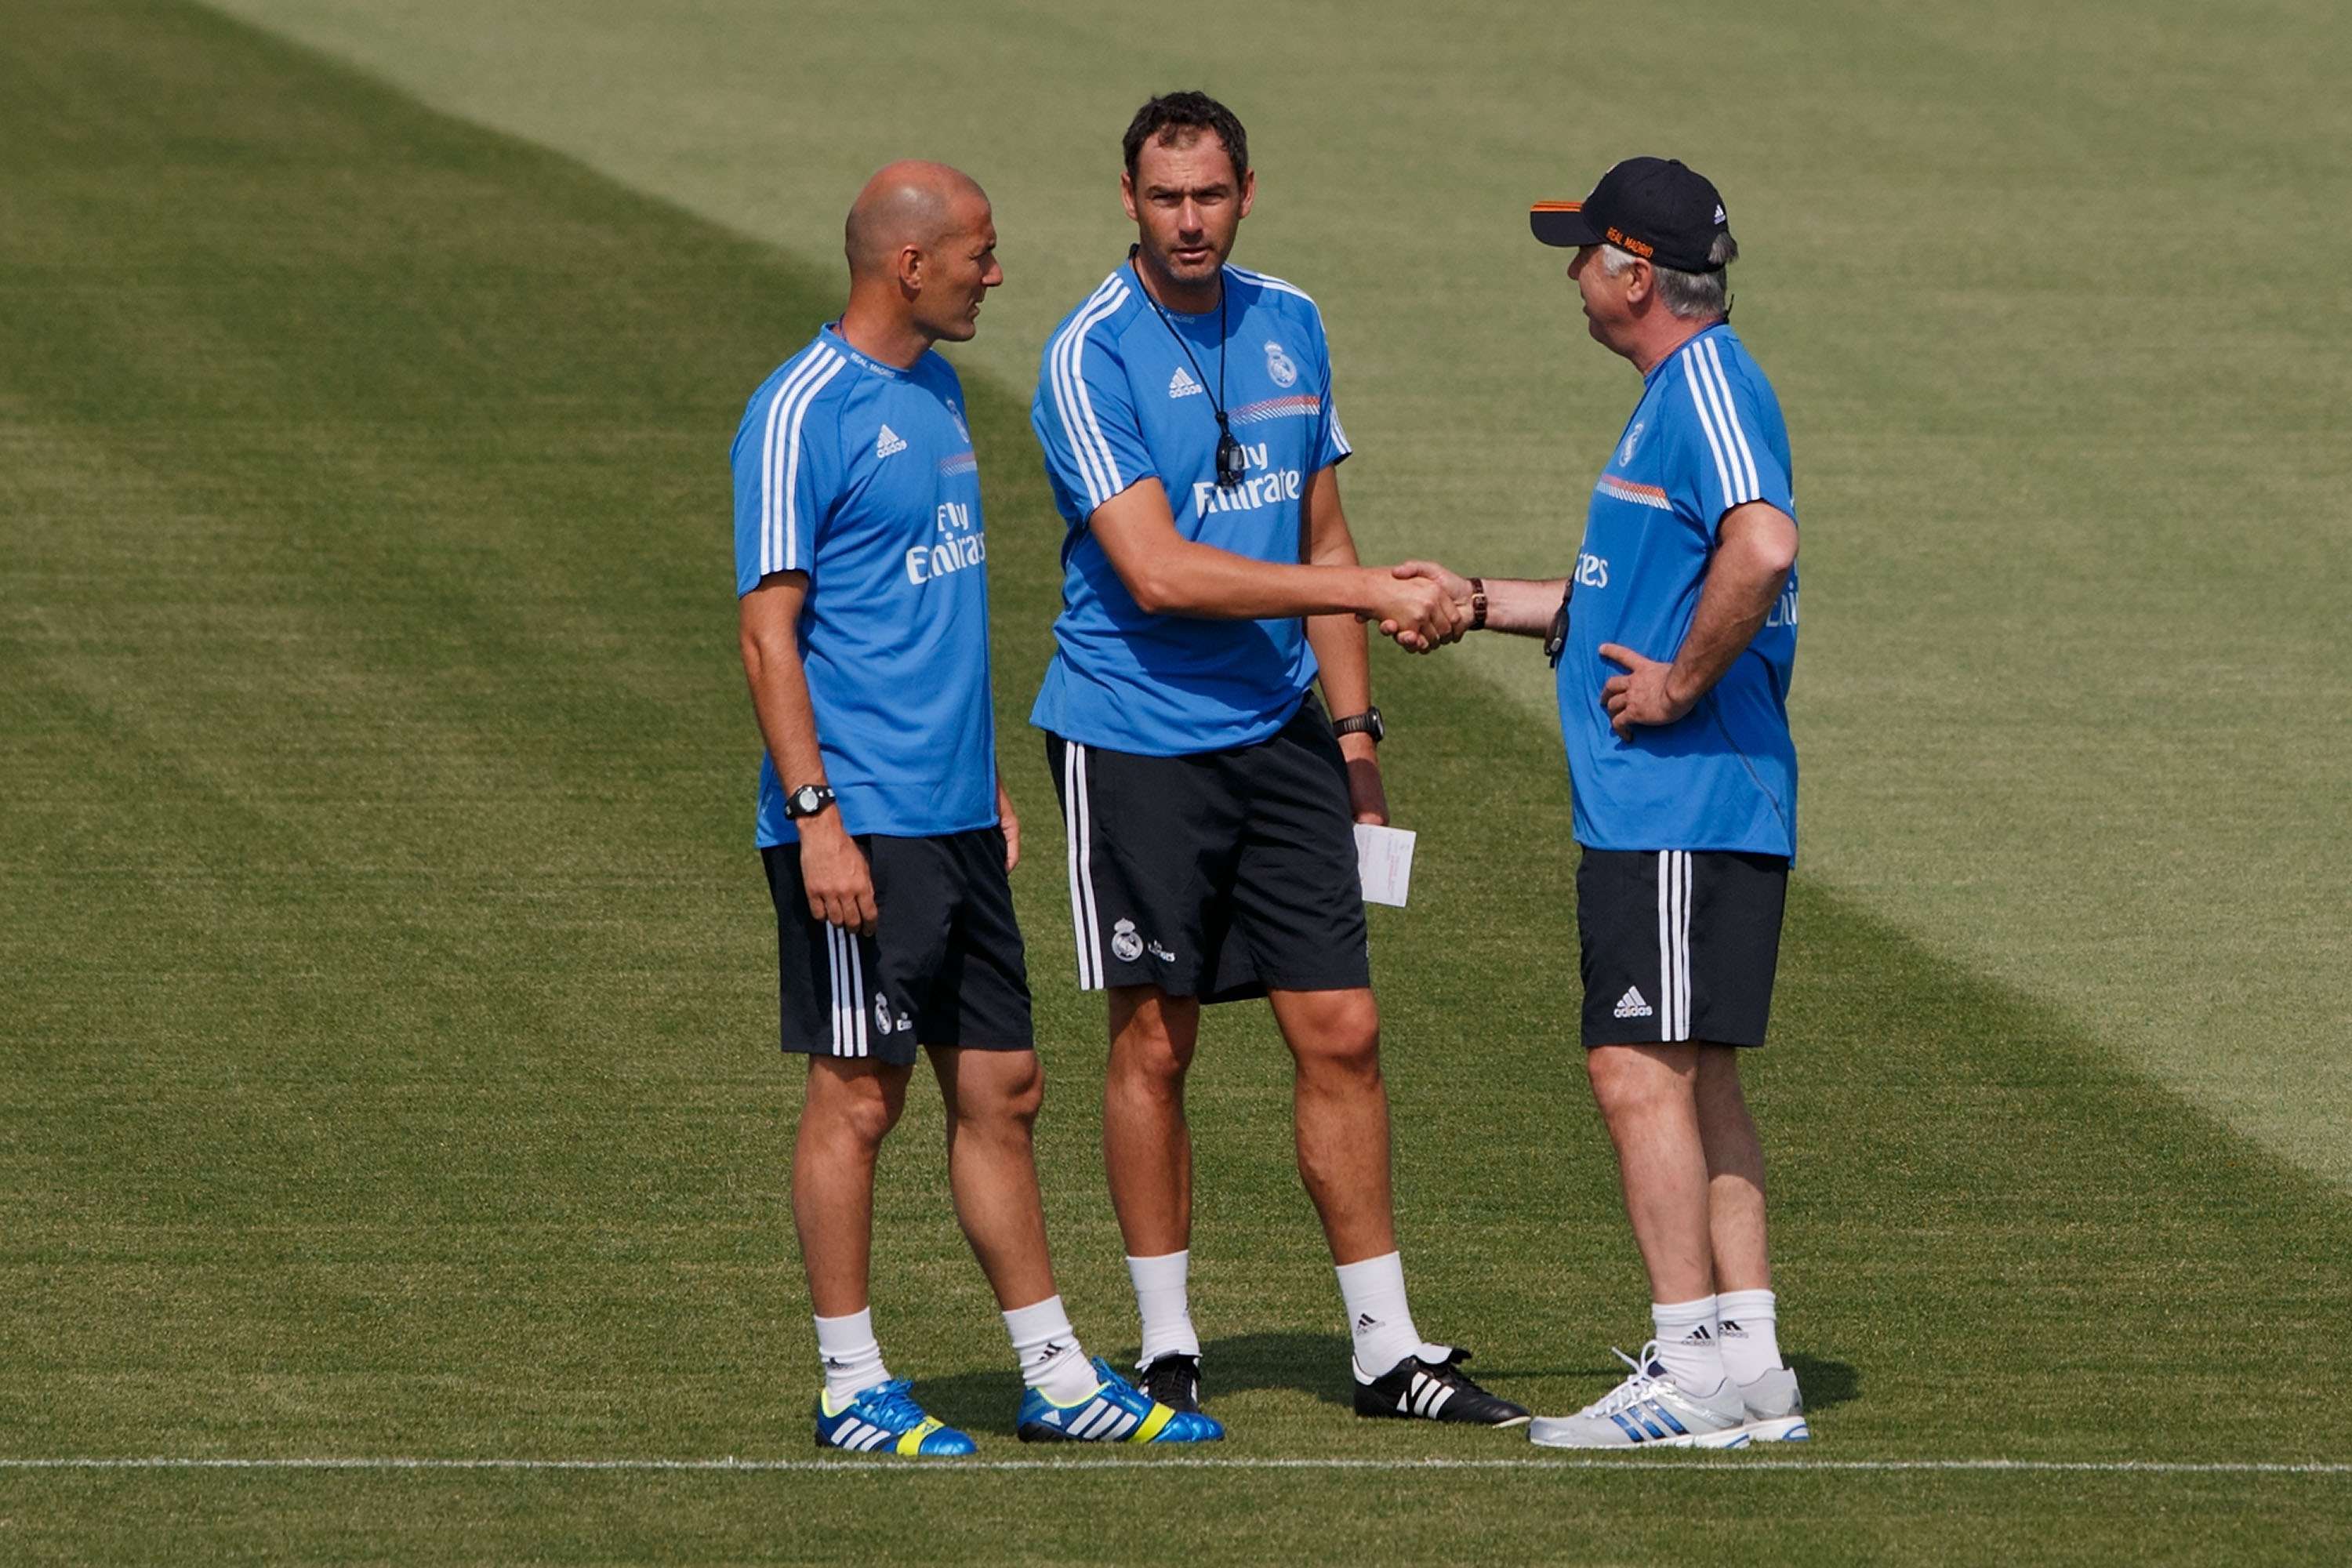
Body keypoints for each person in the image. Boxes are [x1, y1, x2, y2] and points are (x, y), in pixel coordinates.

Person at [1028, 91, 1526, 1430]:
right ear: (1127, 202)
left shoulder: (1291, 319)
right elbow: (1158, 570)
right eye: (1163, 197)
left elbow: (1321, 528)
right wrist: (1368, 595)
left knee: (1344, 1031)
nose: (1188, 220)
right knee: (1154, 1043)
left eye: (1210, 194)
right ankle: (1169, 1343)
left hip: (1285, 734)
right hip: (1135, 739)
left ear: (1248, 190)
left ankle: (1386, 1351)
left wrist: (1357, 738)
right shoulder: (1087, 357)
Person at [731, 160, 1221, 1454]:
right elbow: (769, 638)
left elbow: (917, 612)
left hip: (950, 814)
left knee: (1003, 1088)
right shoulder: (800, 413)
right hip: (859, 823)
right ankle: (850, 1384)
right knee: (860, 1095)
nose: (994, 274)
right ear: (908, 265)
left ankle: (1056, 1375)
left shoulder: (938, 389)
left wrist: (984, 775)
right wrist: (817, 813)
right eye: (978, 253)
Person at [1395, 156, 1809, 1449]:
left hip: (1675, 804)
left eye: (1584, 253)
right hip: (1684, 808)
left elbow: (1764, 546)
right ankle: (1748, 1372)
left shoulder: (1708, 386)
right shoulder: (1669, 399)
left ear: (1638, 276)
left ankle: (1686, 1372)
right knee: (1697, 1079)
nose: (1572, 272)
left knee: (1636, 1069)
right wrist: (1481, 601)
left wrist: (1682, 684)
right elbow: (1631, 595)